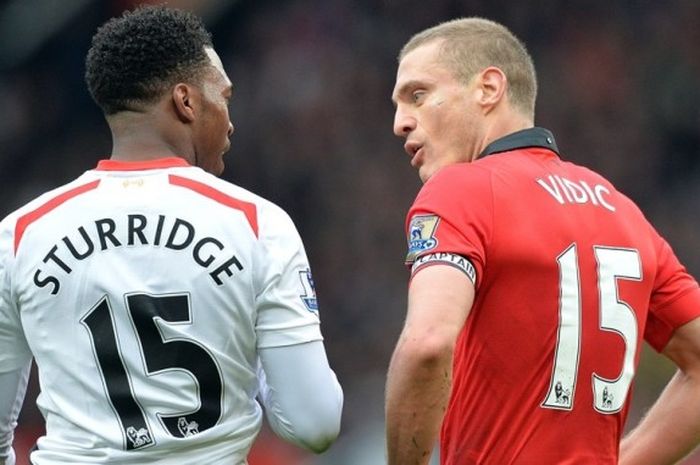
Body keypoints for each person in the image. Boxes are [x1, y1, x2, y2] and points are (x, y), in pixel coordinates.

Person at [0, 5, 342, 465]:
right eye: (224, 96)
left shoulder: (20, 235)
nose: (230, 119)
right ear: (186, 101)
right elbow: (313, 425)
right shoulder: (256, 224)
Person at [385, 17, 700, 465]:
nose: (400, 123)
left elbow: (428, 344)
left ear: (488, 88)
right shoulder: (621, 209)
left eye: (417, 95)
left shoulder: (461, 189)